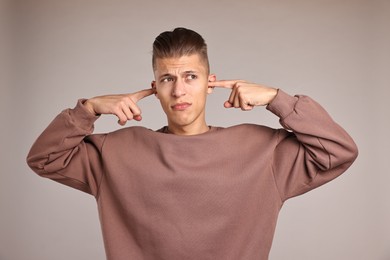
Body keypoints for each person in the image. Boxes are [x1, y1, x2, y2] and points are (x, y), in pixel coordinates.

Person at [27, 27, 358, 260]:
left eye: (191, 77)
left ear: (209, 83)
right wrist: (89, 108)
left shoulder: (261, 151)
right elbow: (44, 158)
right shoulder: (117, 152)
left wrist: (277, 99)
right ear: (155, 88)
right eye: (168, 79)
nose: (179, 91)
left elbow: (338, 152)